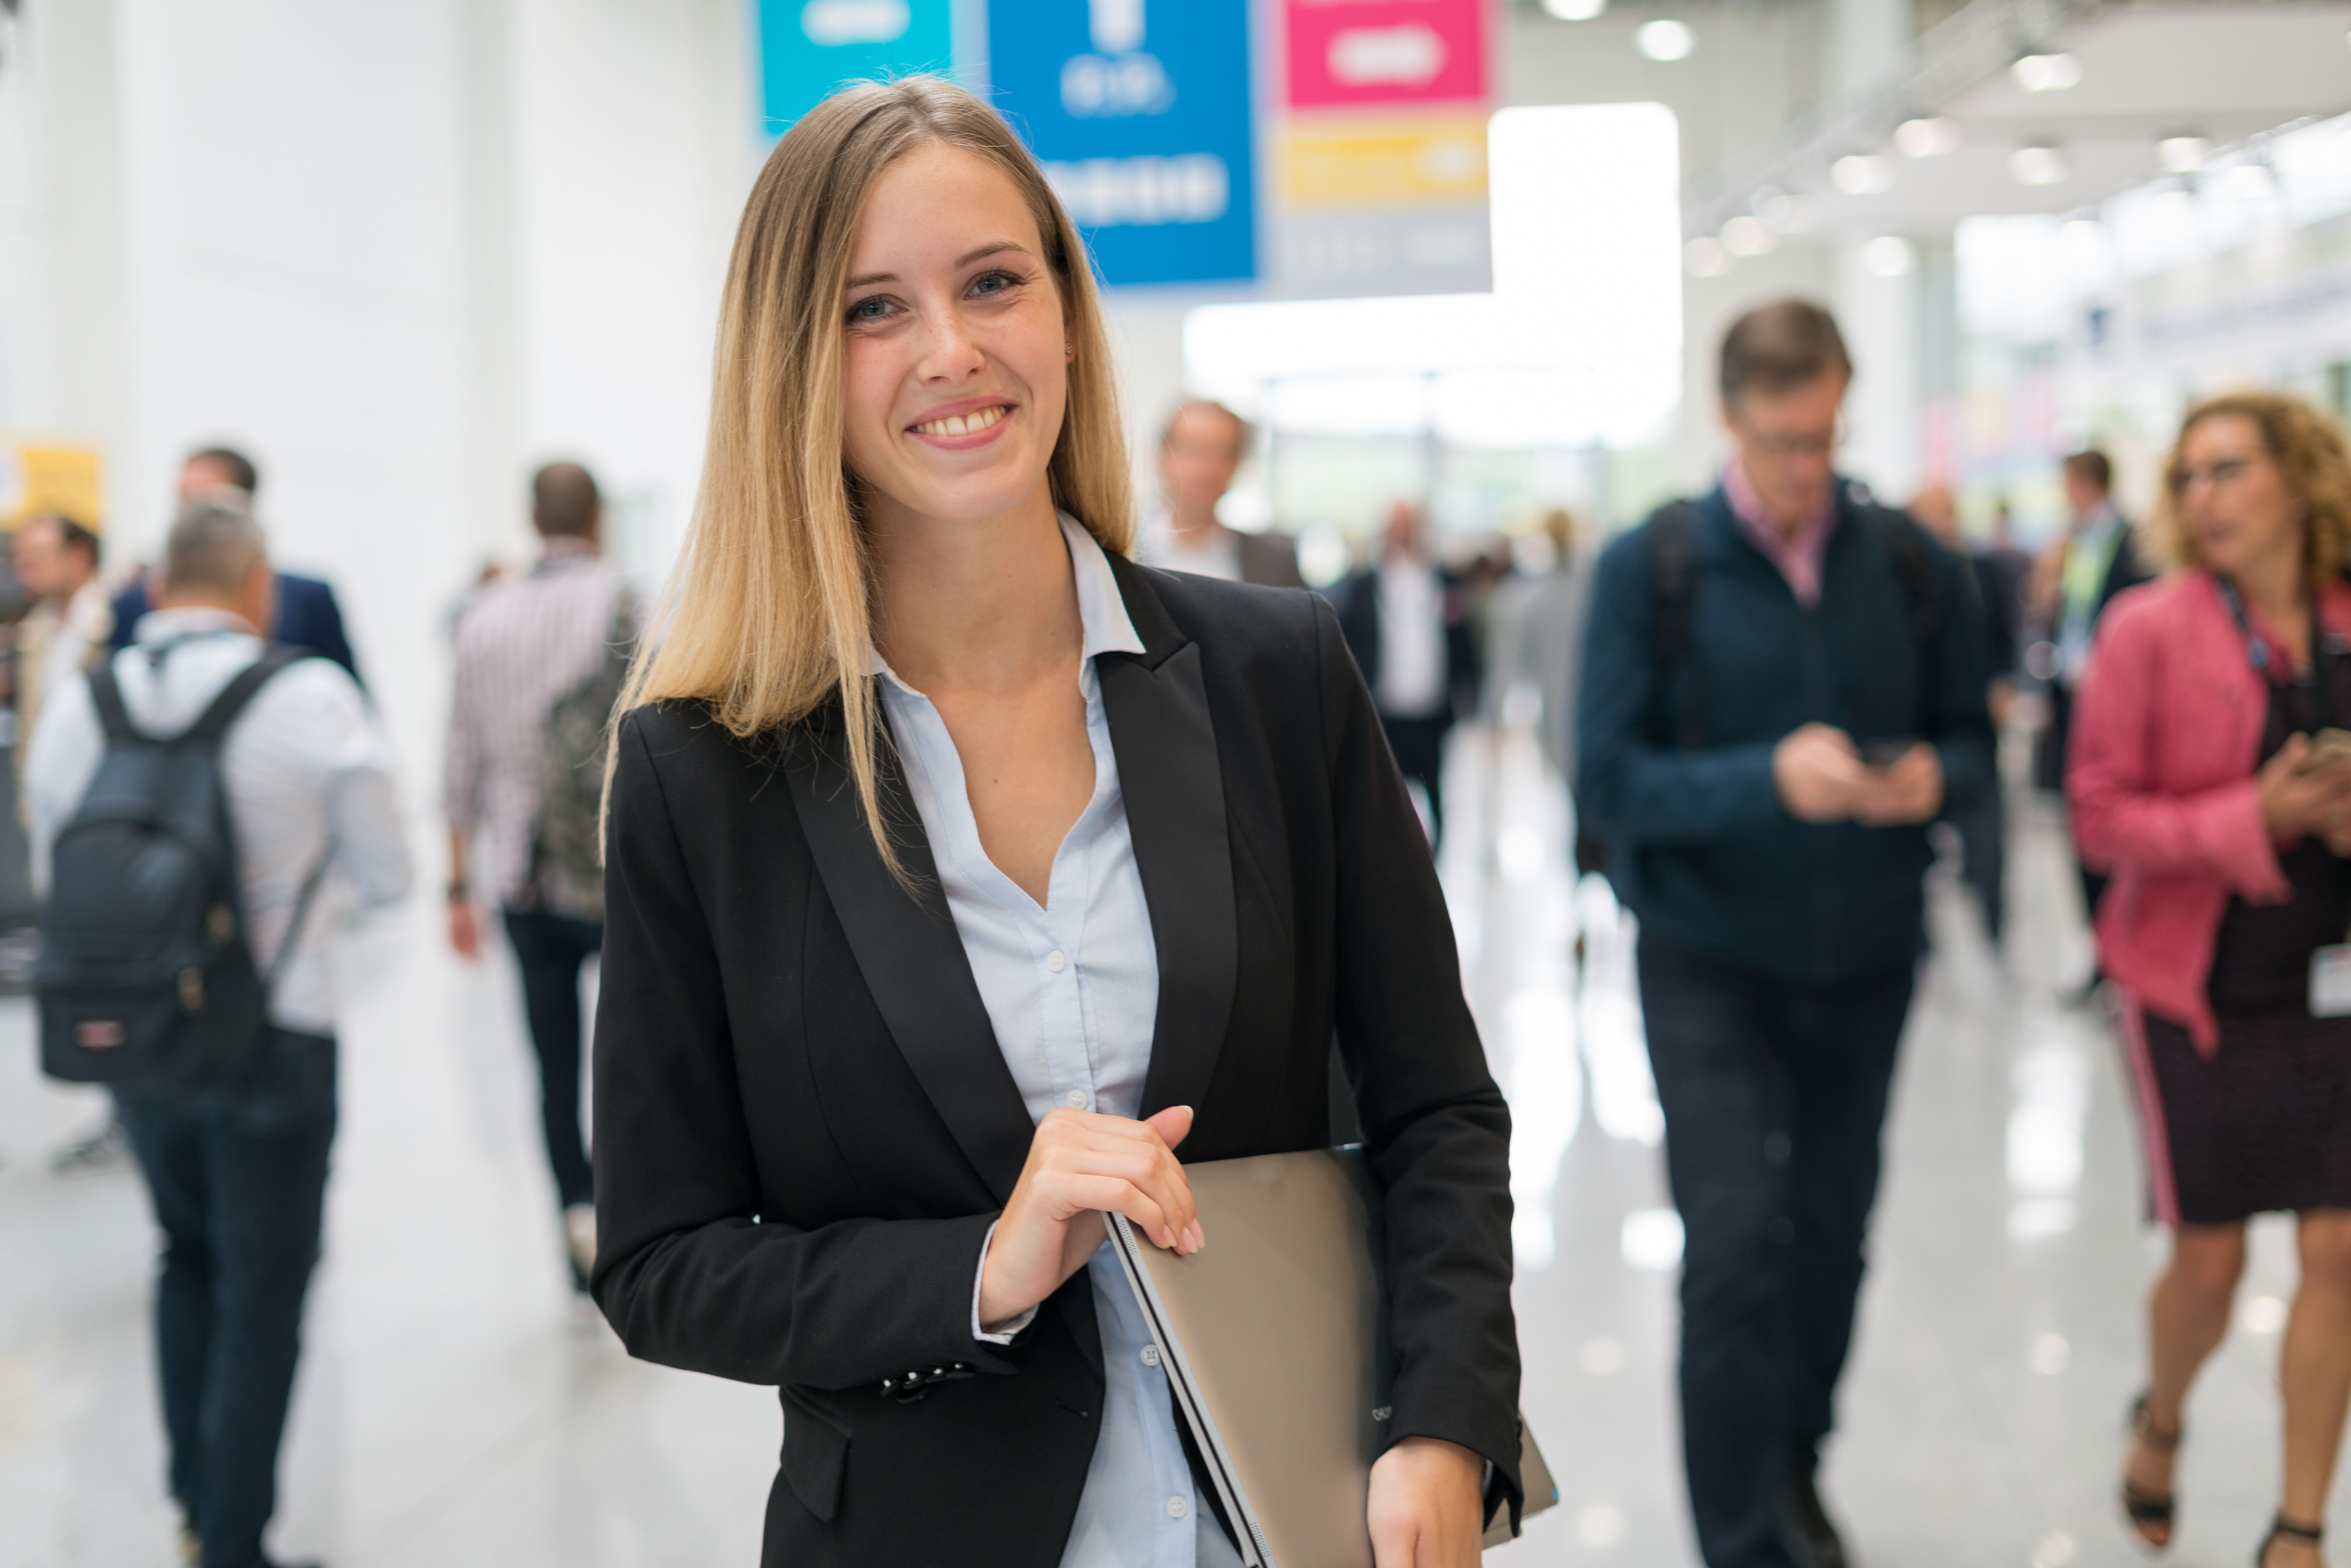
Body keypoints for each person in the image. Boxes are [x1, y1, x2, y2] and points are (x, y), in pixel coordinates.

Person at [590, 75, 1520, 1568]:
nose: (952, 351)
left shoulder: (1277, 672)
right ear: (793, 370)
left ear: (1068, 316)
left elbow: (1437, 1107)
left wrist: (1445, 1414)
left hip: (1281, 1518)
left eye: (993, 282)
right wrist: (985, 1266)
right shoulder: (707, 775)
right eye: (870, 309)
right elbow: (660, 1261)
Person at [1578, 299, 1992, 1568]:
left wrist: (1935, 775)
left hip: (1863, 958)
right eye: (1777, 441)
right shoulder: (1650, 567)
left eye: (1821, 437)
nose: (1802, 469)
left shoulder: (1912, 565)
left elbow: (1975, 737)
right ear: (1728, 419)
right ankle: (1741, 1541)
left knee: (1829, 1235)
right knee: (1730, 1244)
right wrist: (1765, 780)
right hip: (1705, 959)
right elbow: (1604, 783)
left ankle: (1794, 1462)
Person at [25, 493, 409, 1568]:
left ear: (151, 587)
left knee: (181, 1255)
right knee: (266, 1290)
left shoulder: (81, 702)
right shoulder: (310, 697)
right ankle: (235, 1542)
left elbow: (59, 866)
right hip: (279, 1032)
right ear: (259, 587)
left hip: (135, 1033)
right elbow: (388, 875)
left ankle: (197, 1507)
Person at [2070, 391, 2351, 1568]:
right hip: (2194, 987)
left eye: (2226, 469)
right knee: (2209, 1260)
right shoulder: (2146, 628)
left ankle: (2296, 1527)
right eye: (2184, 477)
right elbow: (2094, 814)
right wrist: (2253, 814)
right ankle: (2162, 1418)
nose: (2200, 496)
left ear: (2295, 479)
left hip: (2334, 984)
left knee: (2336, 1250)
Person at [444, 461, 626, 1290]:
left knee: (553, 1063)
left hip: (520, 872)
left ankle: (574, 1222)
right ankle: (640, 1228)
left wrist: (455, 884)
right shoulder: (633, 603)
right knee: (634, 1058)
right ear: (599, 517)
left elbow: (460, 759)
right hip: (616, 868)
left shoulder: (483, 616)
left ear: (530, 518)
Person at [109, 448, 364, 688]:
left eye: (205, 499)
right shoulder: (134, 599)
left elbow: (351, 697)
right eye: (184, 500)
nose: (193, 514)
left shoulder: (307, 600)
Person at [2034, 449, 2147, 923]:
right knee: (2078, 820)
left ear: (2085, 482)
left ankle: (2116, 936)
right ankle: (2097, 944)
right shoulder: (2073, 541)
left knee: (2112, 819)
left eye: (2067, 483)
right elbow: (2069, 614)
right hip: (2070, 695)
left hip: (2112, 697)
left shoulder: (2131, 540)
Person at [1911, 482, 2023, 948]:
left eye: (1951, 512)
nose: (1945, 523)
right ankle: (1921, 946)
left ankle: (1996, 933)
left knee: (1989, 841)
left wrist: (2005, 683)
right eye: (1935, 513)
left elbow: (2006, 633)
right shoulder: (1899, 574)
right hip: (1917, 739)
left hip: (1976, 731)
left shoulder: (1983, 569)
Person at [1335, 501, 1480, 848]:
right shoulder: (1361, 586)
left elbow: (1464, 643)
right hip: (1381, 712)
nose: (1403, 534)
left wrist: (1471, 696)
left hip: (1431, 713)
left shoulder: (1445, 582)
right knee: (1379, 799)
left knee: (1437, 797)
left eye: (1410, 525)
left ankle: (1434, 874)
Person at [1137, 399, 1304, 587]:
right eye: (1191, 449)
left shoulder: (1276, 563)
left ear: (1238, 463)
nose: (1206, 467)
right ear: (1163, 456)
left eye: (1223, 453)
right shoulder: (1122, 555)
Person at [13, 512, 112, 763]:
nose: (26, 568)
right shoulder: (32, 631)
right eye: (21, 557)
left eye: (38, 555)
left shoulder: (116, 619)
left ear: (79, 556)